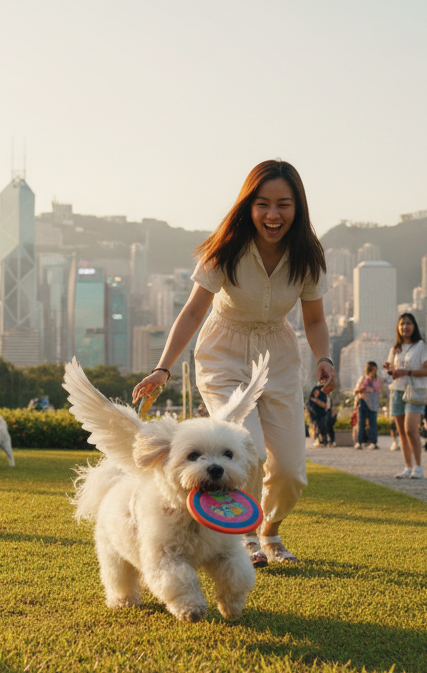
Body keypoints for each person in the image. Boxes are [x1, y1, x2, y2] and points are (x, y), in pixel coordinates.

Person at [131, 159, 335, 566]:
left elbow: (314, 319)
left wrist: (324, 357)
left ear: (298, 208)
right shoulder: (224, 248)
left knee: (292, 471)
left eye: (283, 204)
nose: (273, 215)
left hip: (278, 355)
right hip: (223, 352)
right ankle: (243, 537)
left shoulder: (308, 257)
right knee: (250, 450)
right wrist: (163, 367)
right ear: (248, 205)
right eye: (263, 204)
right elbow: (192, 312)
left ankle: (270, 529)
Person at [383, 313, 427, 479]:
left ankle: (418, 467)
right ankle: (407, 467)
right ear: (398, 327)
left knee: (410, 429)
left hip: (415, 391)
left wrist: (406, 372)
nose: (405, 327)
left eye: (409, 323)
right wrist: (390, 368)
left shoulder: (421, 346)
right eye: (402, 324)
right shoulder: (395, 348)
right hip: (397, 391)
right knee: (401, 432)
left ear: (414, 326)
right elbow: (392, 370)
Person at [354, 361, 382, 449]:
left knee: (373, 423)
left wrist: (372, 381)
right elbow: (356, 390)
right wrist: (365, 385)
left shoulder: (377, 379)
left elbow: (378, 389)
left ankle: (373, 442)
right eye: (372, 370)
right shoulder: (363, 379)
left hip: (373, 403)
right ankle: (359, 442)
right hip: (363, 401)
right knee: (361, 422)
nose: (374, 372)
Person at [306, 381, 333, 446]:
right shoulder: (318, 389)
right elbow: (312, 400)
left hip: (322, 412)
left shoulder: (322, 389)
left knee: (322, 425)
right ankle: (320, 439)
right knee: (318, 425)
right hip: (317, 412)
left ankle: (323, 440)